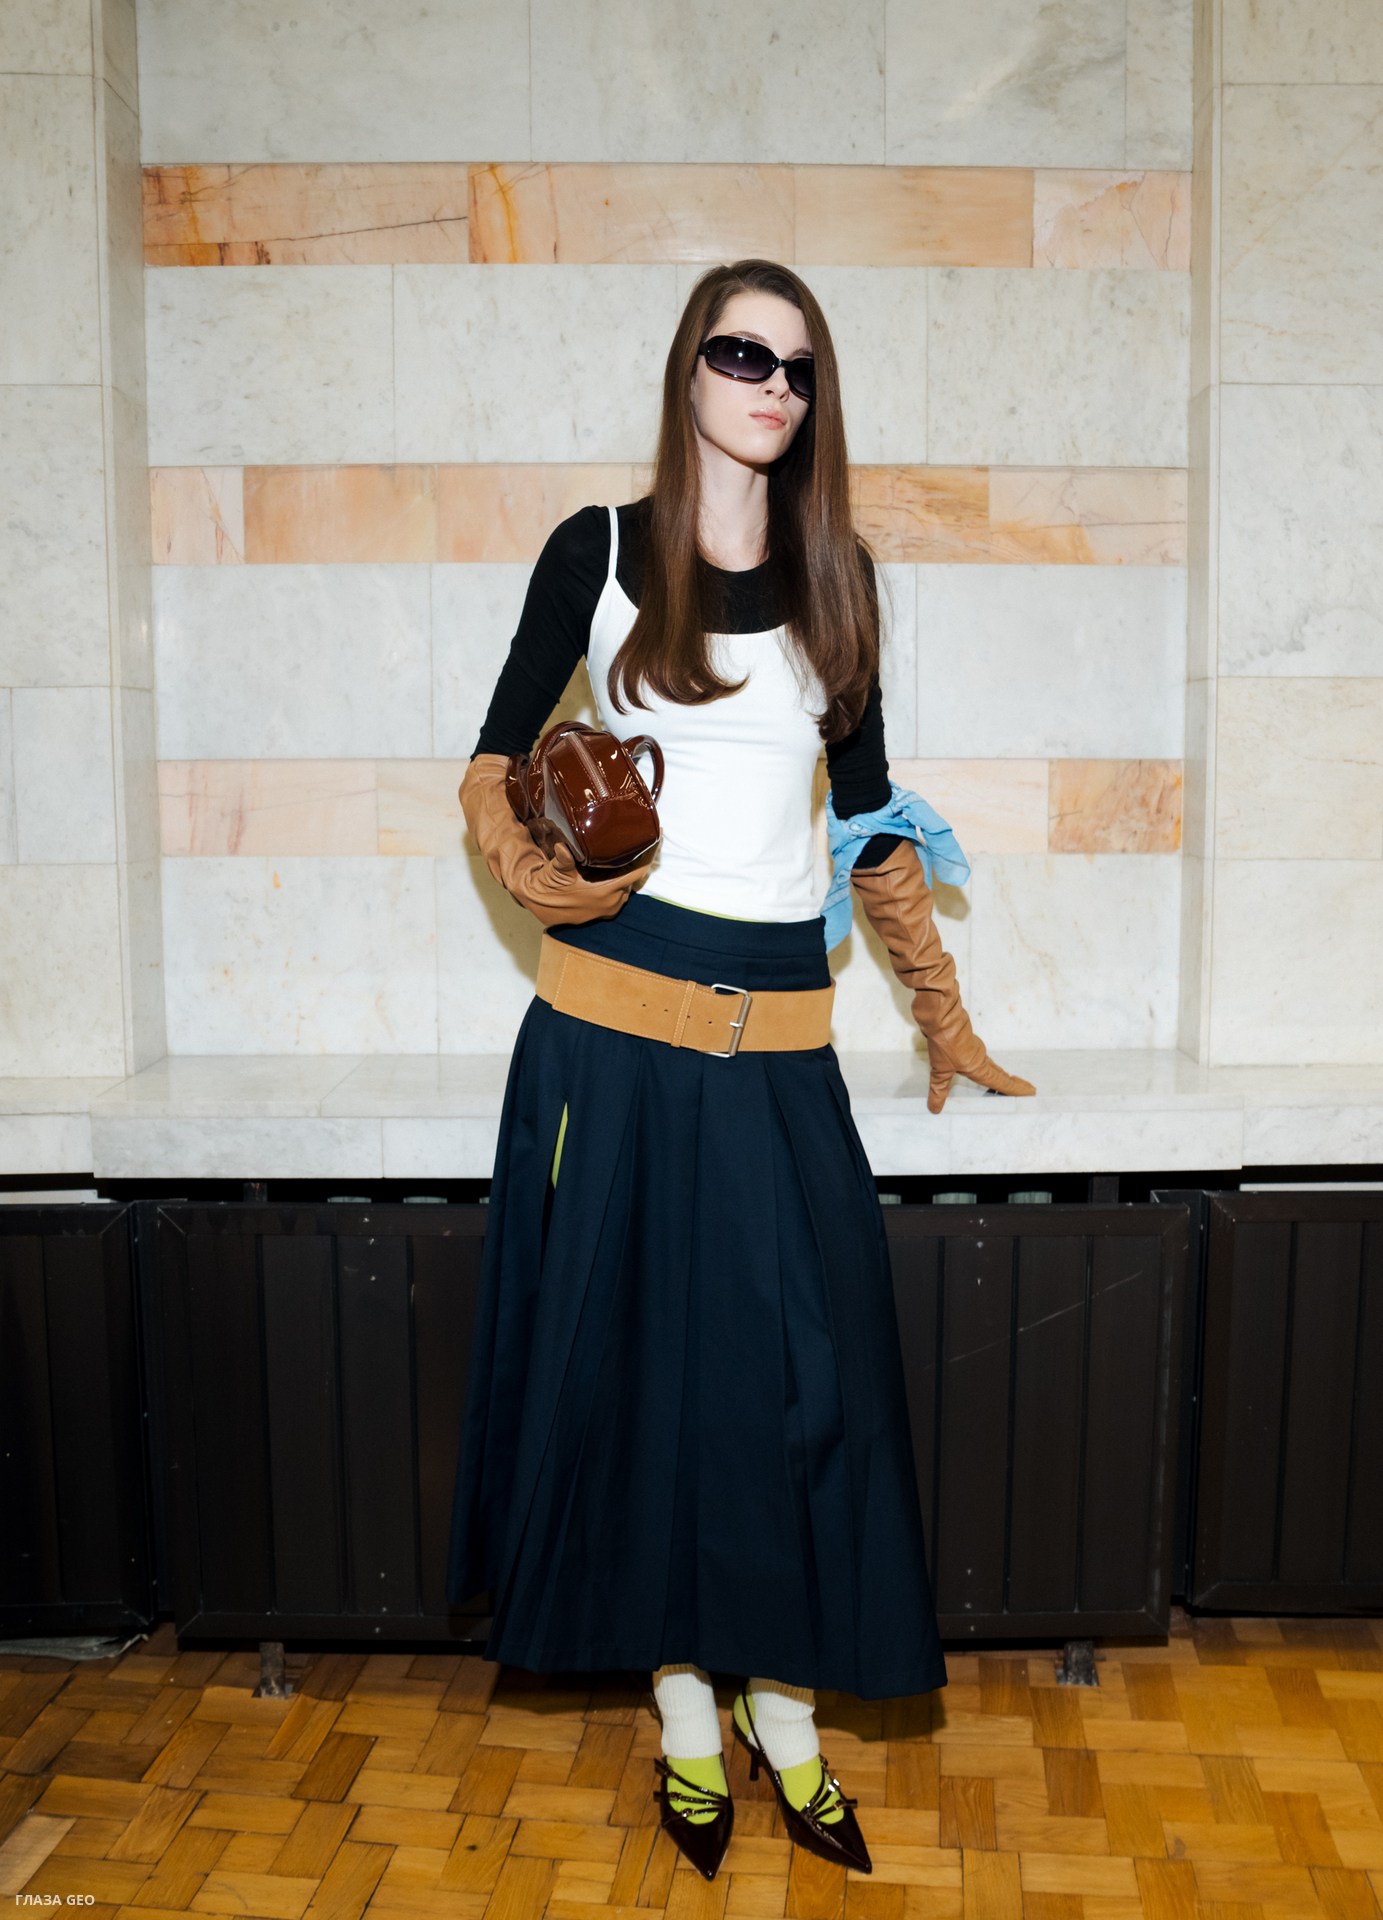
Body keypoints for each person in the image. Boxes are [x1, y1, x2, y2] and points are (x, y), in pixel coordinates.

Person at [446, 259, 1033, 1883]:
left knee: (808, 1388)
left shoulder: (840, 579)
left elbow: (873, 822)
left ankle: (791, 1711)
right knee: (640, 1386)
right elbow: (492, 757)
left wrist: (941, 1011)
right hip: (613, 1033)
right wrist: (525, 860)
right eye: (741, 354)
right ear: (689, 372)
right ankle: (688, 1719)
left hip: (779, 1042)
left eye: (797, 366)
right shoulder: (598, 551)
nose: (772, 385)